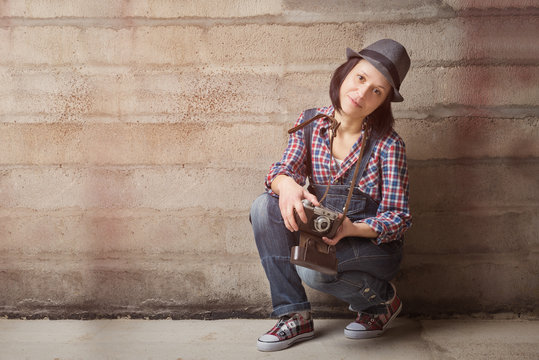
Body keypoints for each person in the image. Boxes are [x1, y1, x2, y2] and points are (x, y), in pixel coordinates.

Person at [250, 39, 412, 352]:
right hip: (323, 235)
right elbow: (283, 168)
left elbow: (399, 217)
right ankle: (294, 316)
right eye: (361, 78)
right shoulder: (310, 122)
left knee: (313, 269)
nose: (362, 94)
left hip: (370, 244)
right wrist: (287, 185)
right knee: (262, 207)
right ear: (346, 73)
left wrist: (351, 228)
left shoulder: (388, 145)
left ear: (384, 102)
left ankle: (382, 302)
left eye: (377, 91)